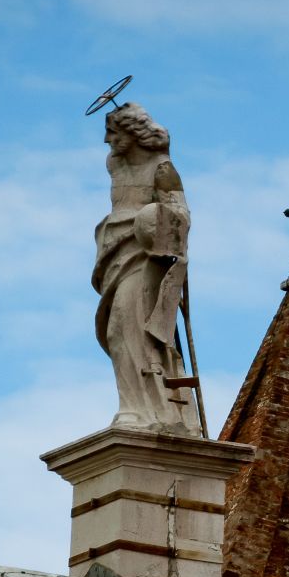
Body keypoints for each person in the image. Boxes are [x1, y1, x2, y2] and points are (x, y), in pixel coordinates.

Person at [92, 103, 200, 433]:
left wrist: (151, 222)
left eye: (113, 132)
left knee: (126, 327)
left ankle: (145, 410)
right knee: (121, 331)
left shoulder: (162, 169)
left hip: (146, 257)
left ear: (132, 132)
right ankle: (138, 408)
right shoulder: (116, 166)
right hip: (117, 254)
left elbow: (179, 217)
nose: (107, 140)